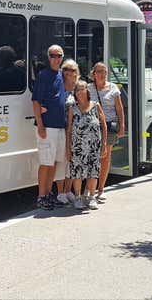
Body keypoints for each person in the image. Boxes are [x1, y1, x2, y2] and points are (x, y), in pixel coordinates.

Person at [32, 45, 67, 210]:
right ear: (48, 57)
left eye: (59, 55)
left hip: (60, 126)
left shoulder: (62, 75)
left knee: (54, 162)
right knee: (45, 162)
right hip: (47, 127)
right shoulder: (43, 76)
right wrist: (40, 125)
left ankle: (48, 194)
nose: (56, 58)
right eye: (53, 55)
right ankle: (41, 196)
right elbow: (36, 102)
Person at [66, 80, 107, 210]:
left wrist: (104, 144)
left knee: (93, 172)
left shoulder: (96, 106)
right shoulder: (73, 109)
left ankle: (91, 197)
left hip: (94, 146)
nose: (80, 92)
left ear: (87, 91)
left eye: (82, 89)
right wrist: (68, 149)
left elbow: (103, 125)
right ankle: (78, 198)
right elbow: (69, 130)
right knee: (77, 172)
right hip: (77, 147)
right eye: (77, 90)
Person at [91, 62, 126, 202]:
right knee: (93, 157)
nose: (102, 74)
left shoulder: (113, 88)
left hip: (109, 126)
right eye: (99, 71)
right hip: (92, 127)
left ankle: (101, 189)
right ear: (94, 73)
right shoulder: (88, 88)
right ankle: (91, 189)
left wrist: (122, 126)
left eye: (104, 71)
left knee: (105, 157)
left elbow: (119, 109)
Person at [55, 58, 80, 206]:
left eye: (72, 70)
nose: (69, 73)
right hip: (61, 128)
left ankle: (68, 189)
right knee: (61, 160)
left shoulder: (79, 87)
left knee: (72, 160)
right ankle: (60, 192)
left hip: (76, 130)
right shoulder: (58, 86)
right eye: (66, 69)